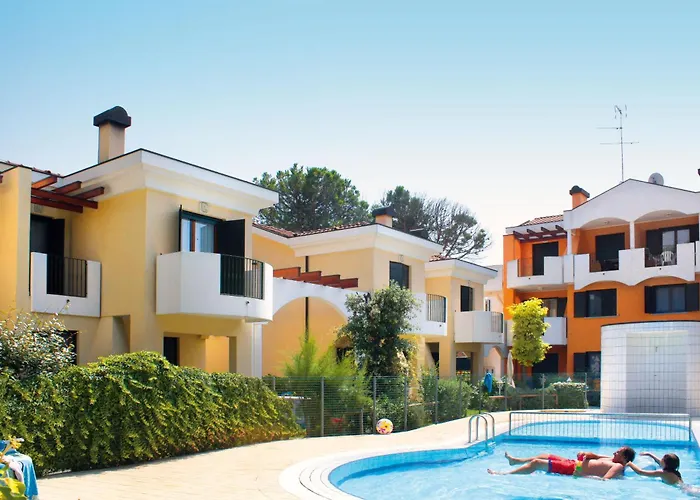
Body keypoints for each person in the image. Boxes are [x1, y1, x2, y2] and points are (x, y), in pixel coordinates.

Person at [487, 447, 636, 480]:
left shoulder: (618, 466)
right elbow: (595, 456)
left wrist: (582, 475)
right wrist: (586, 454)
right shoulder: (611, 459)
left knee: (537, 463)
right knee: (545, 455)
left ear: (624, 458)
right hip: (573, 462)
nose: (614, 453)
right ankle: (516, 461)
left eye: (618, 452)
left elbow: (605, 480)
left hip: (573, 469)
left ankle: (503, 474)